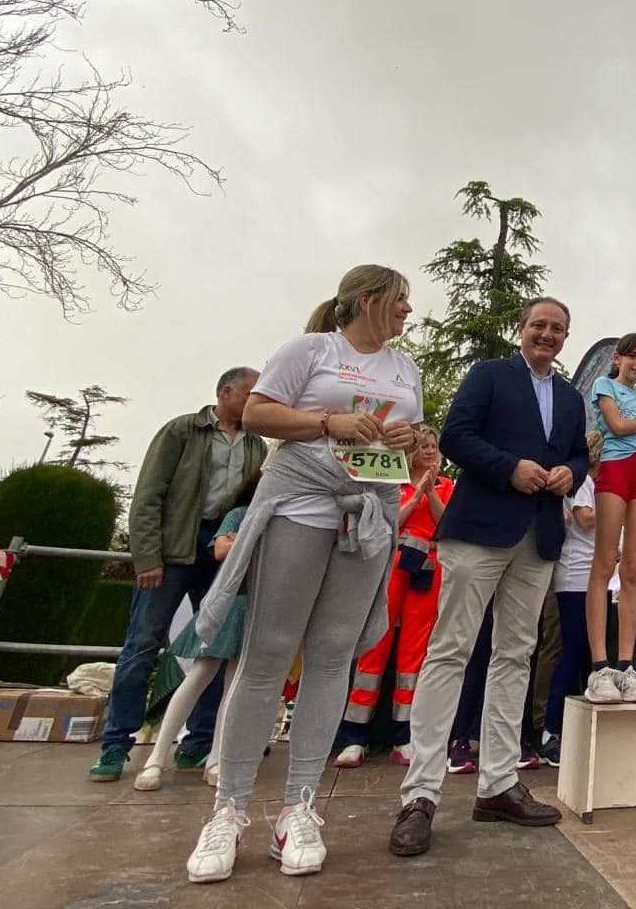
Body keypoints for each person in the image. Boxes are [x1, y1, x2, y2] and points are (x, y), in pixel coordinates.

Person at [183, 265, 425, 883]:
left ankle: (300, 807)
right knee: (267, 653)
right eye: (400, 301)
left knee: (332, 656)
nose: (407, 312)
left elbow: (402, 441)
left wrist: (404, 438)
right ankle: (228, 809)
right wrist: (327, 423)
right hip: (300, 506)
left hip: (369, 514)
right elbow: (259, 413)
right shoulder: (310, 350)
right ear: (368, 301)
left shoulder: (405, 368)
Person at [389, 296, 589, 859]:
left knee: (515, 654)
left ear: (567, 337)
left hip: (540, 535)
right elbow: (455, 436)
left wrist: (566, 474)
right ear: (520, 329)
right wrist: (511, 468)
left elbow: (579, 457)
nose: (547, 335)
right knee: (450, 651)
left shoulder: (572, 398)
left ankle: (499, 784)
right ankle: (420, 795)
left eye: (558, 328)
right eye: (539, 325)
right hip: (480, 529)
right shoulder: (490, 375)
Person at [88, 366, 265, 783]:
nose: (257, 402)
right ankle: (117, 744)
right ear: (226, 392)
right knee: (144, 642)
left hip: (223, 549)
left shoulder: (258, 445)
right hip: (173, 548)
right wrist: (146, 556)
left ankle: (199, 744)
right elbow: (149, 494)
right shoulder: (182, 432)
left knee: (217, 646)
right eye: (251, 394)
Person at [335, 427, 453, 767]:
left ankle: (405, 737)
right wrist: (414, 495)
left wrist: (430, 495)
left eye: (434, 446)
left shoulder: (447, 486)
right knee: (375, 644)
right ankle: (354, 737)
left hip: (428, 569)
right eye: (424, 446)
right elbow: (389, 523)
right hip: (393, 564)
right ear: (412, 451)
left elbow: (445, 525)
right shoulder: (393, 483)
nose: (430, 452)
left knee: (414, 653)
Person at [134, 499, 249, 791]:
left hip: (255, 607)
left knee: (234, 686)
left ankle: (216, 760)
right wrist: (249, 542)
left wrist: (242, 542)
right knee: (198, 676)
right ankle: (156, 758)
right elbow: (222, 550)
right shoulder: (239, 513)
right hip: (227, 603)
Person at [583, 333, 636, 703]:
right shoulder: (606, 384)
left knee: (632, 568)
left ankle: (625, 667)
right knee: (605, 563)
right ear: (617, 358)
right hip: (616, 469)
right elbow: (616, 427)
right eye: (632, 356)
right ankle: (599, 666)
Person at [540, 430, 603, 764]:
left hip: (592, 575)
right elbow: (585, 519)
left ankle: (569, 725)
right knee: (573, 649)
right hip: (575, 575)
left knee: (585, 654)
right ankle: (549, 730)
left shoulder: (590, 484)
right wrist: (616, 504)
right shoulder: (584, 483)